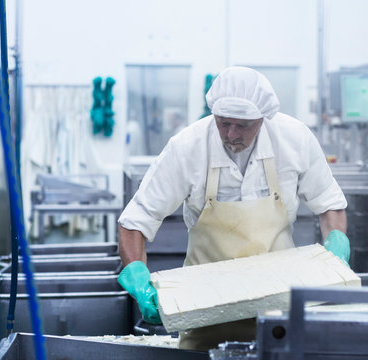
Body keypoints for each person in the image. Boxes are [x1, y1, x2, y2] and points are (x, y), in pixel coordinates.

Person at [117, 66, 350, 351]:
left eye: (243, 125)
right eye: (223, 122)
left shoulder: (294, 139)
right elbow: (136, 220)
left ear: (262, 118)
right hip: (202, 309)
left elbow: (330, 204)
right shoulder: (187, 147)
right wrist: (138, 277)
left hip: (279, 308)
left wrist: (337, 247)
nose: (231, 134)